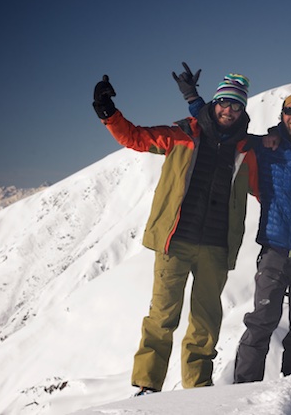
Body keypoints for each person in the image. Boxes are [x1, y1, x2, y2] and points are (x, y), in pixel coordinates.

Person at [92, 69, 259, 395]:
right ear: (215, 103)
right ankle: (147, 385)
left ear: (243, 111)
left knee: (206, 322)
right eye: (224, 103)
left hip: (216, 246)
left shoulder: (247, 150)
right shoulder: (183, 134)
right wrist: (107, 113)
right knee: (162, 316)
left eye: (236, 106)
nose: (229, 111)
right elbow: (135, 137)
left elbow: (265, 189)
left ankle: (197, 389)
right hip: (175, 241)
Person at [174, 67, 291, 382]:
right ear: (282, 115)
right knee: (261, 322)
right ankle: (244, 390)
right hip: (274, 249)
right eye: (289, 110)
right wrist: (193, 99)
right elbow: (220, 130)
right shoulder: (266, 146)